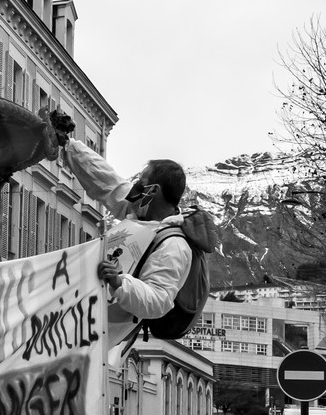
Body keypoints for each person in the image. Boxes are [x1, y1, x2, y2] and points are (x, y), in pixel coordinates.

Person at [57, 139, 217, 348]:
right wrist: (69, 146)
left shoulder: (174, 246)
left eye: (142, 182)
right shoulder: (143, 215)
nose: (135, 187)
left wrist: (119, 283)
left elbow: (159, 300)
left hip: (95, 334)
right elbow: (108, 183)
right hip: (82, 318)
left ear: (154, 191)